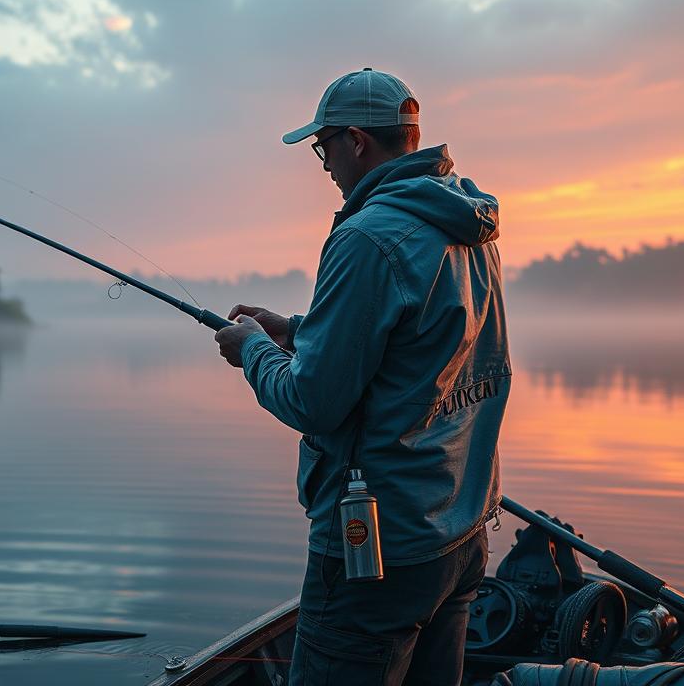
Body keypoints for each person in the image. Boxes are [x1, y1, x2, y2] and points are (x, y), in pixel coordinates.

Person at [213, 68, 511, 685]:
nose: (323, 165)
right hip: (459, 535)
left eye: (324, 147)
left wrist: (251, 350)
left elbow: (311, 401)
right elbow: (421, 343)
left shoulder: (367, 237)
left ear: (356, 142)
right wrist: (298, 329)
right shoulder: (465, 223)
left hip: (379, 548)